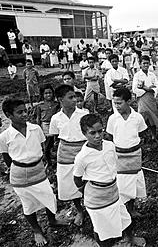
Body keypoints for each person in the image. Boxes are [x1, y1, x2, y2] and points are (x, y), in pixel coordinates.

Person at [0, 99, 70, 246]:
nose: (24, 114)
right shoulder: (4, 137)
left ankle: (52, 220)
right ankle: (37, 230)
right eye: (19, 112)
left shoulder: (35, 129)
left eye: (25, 111)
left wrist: (39, 164)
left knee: (49, 196)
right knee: (28, 204)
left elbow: (42, 147)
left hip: (38, 170)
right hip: (19, 175)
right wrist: (17, 168)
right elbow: (6, 156)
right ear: (8, 115)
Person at [73, 114, 146, 247]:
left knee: (125, 217)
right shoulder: (82, 157)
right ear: (84, 133)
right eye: (92, 133)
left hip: (113, 191)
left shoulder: (110, 146)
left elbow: (113, 165)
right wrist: (85, 191)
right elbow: (77, 178)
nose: (97, 136)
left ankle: (130, 238)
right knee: (101, 228)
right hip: (96, 198)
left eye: (100, 131)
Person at [49, 85, 88, 226]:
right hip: (65, 153)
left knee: (89, 180)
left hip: (83, 151)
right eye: (70, 97)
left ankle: (91, 206)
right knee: (70, 183)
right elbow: (55, 137)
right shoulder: (56, 118)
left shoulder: (84, 114)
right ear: (60, 100)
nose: (75, 100)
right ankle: (79, 210)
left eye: (75, 97)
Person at [106, 88, 148, 218]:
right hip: (119, 156)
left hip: (134, 154)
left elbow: (142, 133)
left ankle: (131, 209)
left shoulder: (137, 117)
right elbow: (109, 137)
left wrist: (136, 147)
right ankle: (122, 210)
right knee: (122, 184)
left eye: (119, 103)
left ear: (128, 101)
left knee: (134, 183)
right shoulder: (113, 119)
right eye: (115, 103)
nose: (117, 106)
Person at [132, 55, 158, 141]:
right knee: (143, 117)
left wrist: (149, 89)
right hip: (142, 98)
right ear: (140, 64)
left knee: (153, 117)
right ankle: (141, 137)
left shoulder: (152, 75)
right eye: (144, 63)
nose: (146, 65)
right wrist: (146, 89)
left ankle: (154, 136)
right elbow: (135, 89)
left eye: (147, 63)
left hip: (151, 99)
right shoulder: (137, 75)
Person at [34, 84, 60, 167]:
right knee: (46, 146)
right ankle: (48, 161)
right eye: (46, 93)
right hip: (46, 125)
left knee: (57, 143)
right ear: (42, 95)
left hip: (56, 124)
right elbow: (38, 117)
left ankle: (58, 160)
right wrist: (39, 128)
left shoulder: (57, 104)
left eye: (50, 92)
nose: (48, 95)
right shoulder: (40, 106)